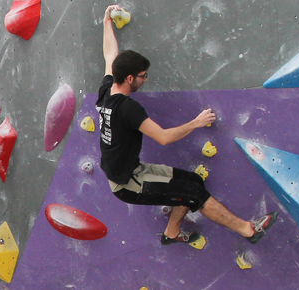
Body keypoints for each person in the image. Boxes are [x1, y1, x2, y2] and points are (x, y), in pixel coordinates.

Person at [97, 4, 277, 246]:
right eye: (142, 76)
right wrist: (196, 122)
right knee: (193, 195)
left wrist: (107, 21)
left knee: (193, 181)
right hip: (128, 184)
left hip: (132, 171)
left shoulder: (107, 91)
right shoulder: (128, 109)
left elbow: (110, 55)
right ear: (130, 78)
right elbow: (163, 137)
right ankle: (249, 230)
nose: (145, 79)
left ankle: (171, 233)